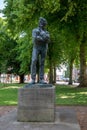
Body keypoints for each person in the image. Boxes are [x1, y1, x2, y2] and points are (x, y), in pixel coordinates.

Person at [30, 17, 50, 84]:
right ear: (39, 23)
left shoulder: (46, 32)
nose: (41, 24)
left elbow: (48, 40)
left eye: (43, 23)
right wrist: (43, 38)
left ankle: (41, 79)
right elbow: (35, 39)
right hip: (36, 47)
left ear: (44, 24)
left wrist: (41, 37)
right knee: (34, 60)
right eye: (40, 22)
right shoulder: (35, 30)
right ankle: (33, 79)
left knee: (42, 63)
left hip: (44, 48)